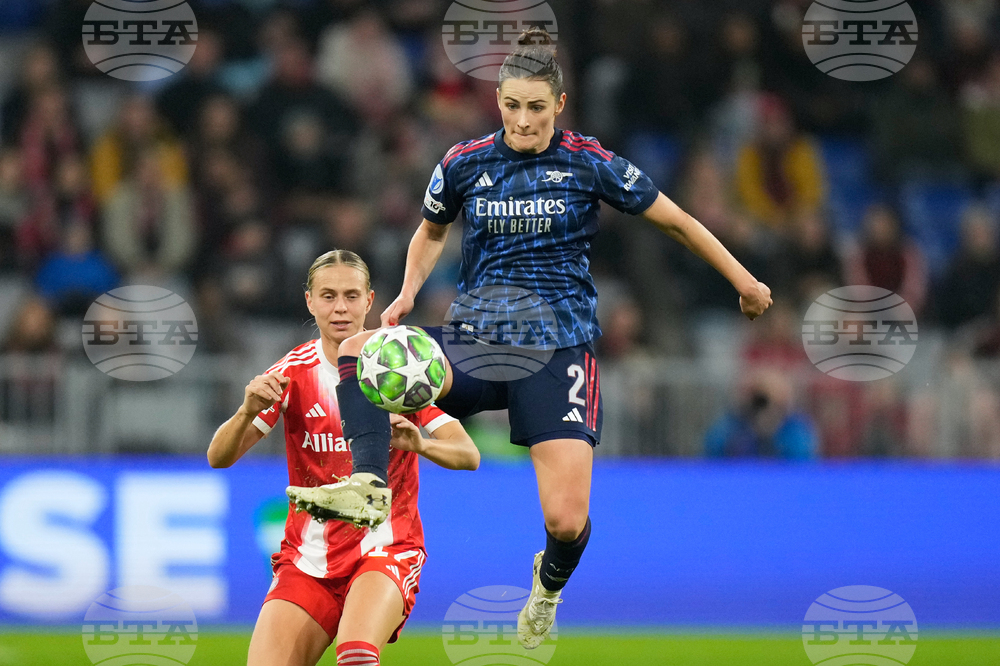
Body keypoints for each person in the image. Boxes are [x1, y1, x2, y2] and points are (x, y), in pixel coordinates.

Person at [288, 28, 772, 651]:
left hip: (558, 350)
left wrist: (745, 280)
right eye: (512, 105)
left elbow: (676, 221)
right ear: (498, 101)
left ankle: (546, 587)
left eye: (536, 107)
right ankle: (370, 485)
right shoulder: (465, 162)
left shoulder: (590, 162)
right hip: (475, 341)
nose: (522, 120)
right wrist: (407, 293)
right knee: (358, 352)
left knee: (565, 521)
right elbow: (430, 231)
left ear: (559, 105)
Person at [208, 250, 479, 666]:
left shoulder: (394, 365)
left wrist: (421, 445)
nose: (340, 308)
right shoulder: (292, 372)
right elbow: (219, 457)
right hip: (308, 558)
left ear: (370, 301)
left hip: (384, 549)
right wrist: (246, 409)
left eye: (351, 296)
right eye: (329, 296)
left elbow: (467, 453)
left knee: (355, 654)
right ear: (310, 302)